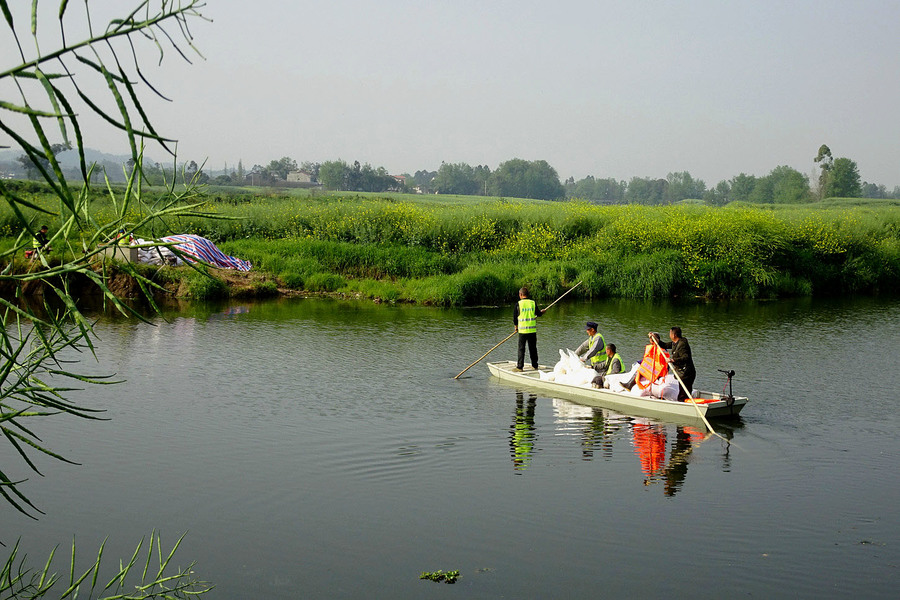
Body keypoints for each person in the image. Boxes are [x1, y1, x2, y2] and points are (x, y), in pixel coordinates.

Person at [657, 326, 696, 402]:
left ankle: (683, 407)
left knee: (683, 395)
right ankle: (684, 403)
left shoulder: (682, 344)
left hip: (686, 373)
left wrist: (673, 360)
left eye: (670, 333)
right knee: (683, 393)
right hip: (682, 373)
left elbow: (686, 357)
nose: (669, 335)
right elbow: (664, 345)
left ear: (674, 335)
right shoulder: (675, 343)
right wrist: (656, 339)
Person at [513, 287, 543, 371]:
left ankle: (520, 367)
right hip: (532, 330)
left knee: (521, 349)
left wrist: (516, 327)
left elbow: (515, 318)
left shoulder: (518, 304)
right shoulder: (533, 303)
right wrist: (542, 312)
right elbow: (538, 314)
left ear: (521, 294)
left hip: (522, 331)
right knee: (533, 348)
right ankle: (535, 365)